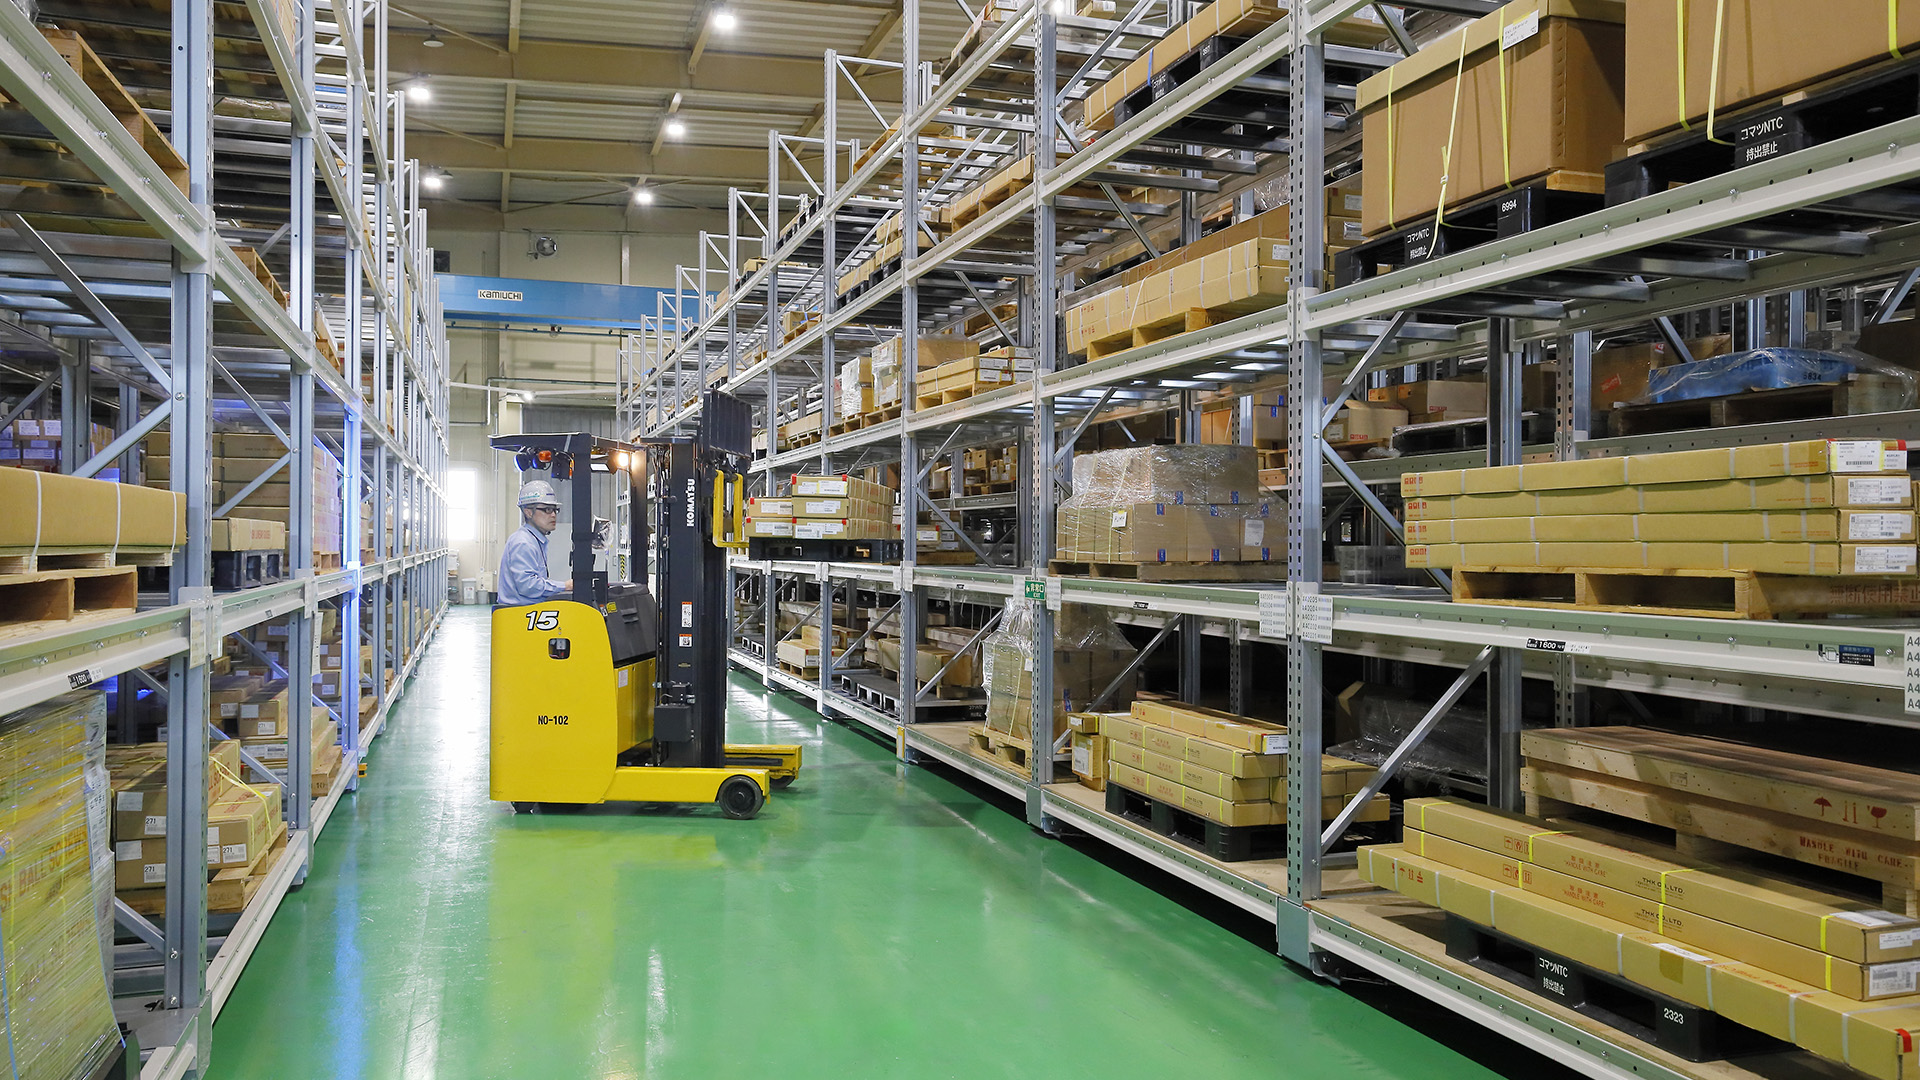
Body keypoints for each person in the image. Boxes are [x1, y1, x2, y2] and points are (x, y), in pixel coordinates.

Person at [498, 479, 572, 606]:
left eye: (554, 510)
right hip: (520, 613)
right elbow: (527, 586)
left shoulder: (534, 540)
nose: (553, 515)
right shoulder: (523, 543)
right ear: (528, 512)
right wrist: (564, 586)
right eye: (547, 510)